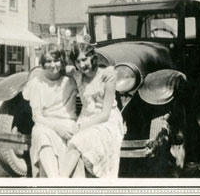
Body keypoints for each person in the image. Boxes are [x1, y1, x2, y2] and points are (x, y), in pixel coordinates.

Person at [61, 42, 124, 178]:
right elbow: (58, 68)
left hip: (105, 122)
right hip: (84, 118)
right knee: (71, 144)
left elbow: (105, 114)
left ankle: (57, 182)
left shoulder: (107, 76)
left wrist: (111, 69)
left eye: (84, 59)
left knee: (78, 142)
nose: (81, 65)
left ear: (93, 58)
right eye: (77, 61)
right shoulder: (77, 75)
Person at [22, 44, 79, 177]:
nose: (53, 65)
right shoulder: (37, 83)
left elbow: (93, 72)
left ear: (62, 61)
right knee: (40, 135)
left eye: (56, 60)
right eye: (48, 61)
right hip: (46, 123)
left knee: (77, 137)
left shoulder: (70, 80)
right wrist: (56, 127)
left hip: (68, 122)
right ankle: (55, 182)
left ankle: (58, 181)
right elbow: (36, 117)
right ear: (43, 62)